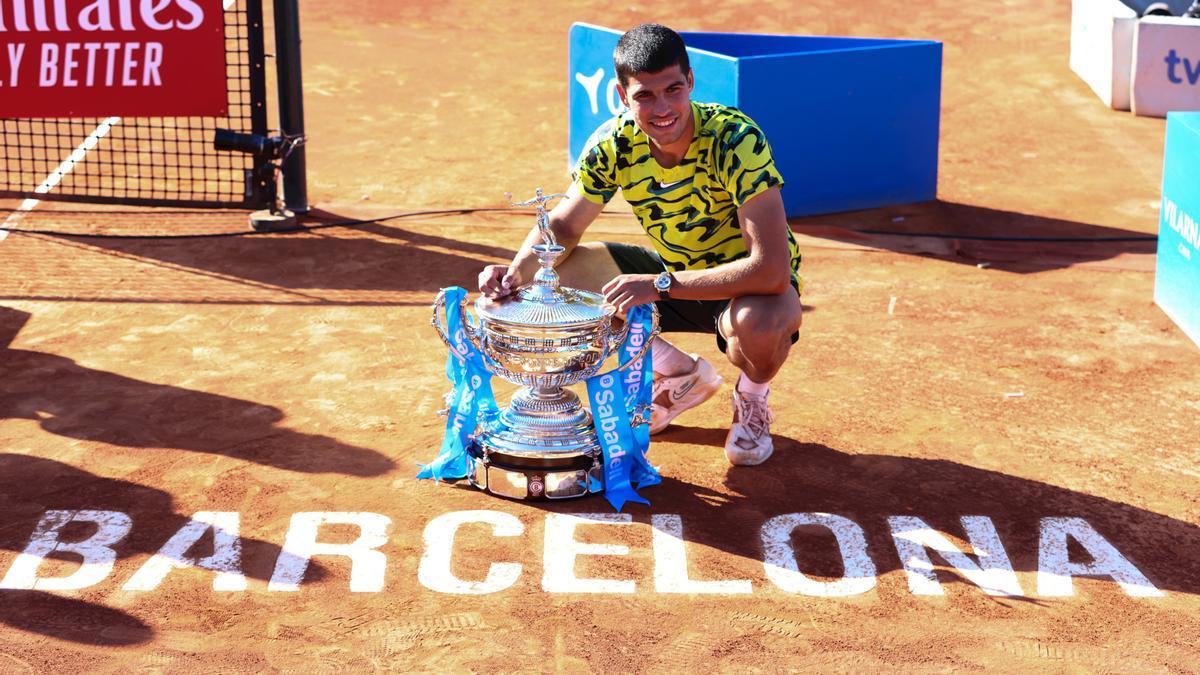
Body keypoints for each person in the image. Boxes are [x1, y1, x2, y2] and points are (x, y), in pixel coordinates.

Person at [478, 23, 803, 466]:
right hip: (674, 273)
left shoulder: (735, 139)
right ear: (621, 95)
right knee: (555, 279)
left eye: (673, 89)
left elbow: (770, 270)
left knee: (758, 327)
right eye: (645, 96)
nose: (663, 107)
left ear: (691, 81)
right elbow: (565, 227)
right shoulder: (613, 144)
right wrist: (514, 274)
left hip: (750, 289)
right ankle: (680, 375)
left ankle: (752, 397)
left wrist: (659, 286)